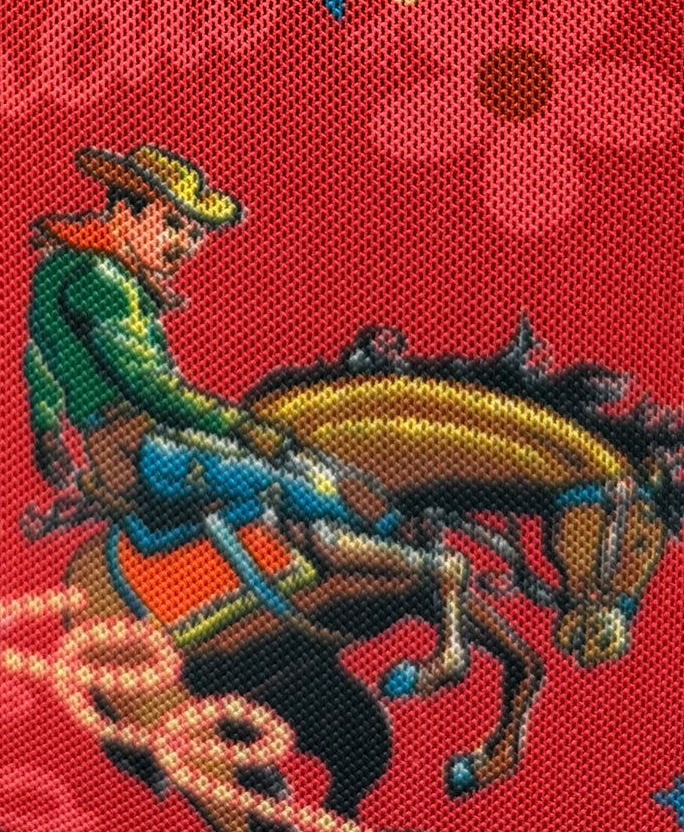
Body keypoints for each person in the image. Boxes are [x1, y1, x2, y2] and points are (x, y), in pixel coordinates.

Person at [24, 146, 473, 686]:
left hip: (131, 444)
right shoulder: (106, 281)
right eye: (173, 225)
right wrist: (243, 426)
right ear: (125, 211)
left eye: (194, 234)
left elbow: (41, 353)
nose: (185, 245)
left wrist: (47, 423)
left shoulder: (65, 268)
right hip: (145, 450)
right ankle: (409, 555)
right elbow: (152, 387)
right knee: (308, 484)